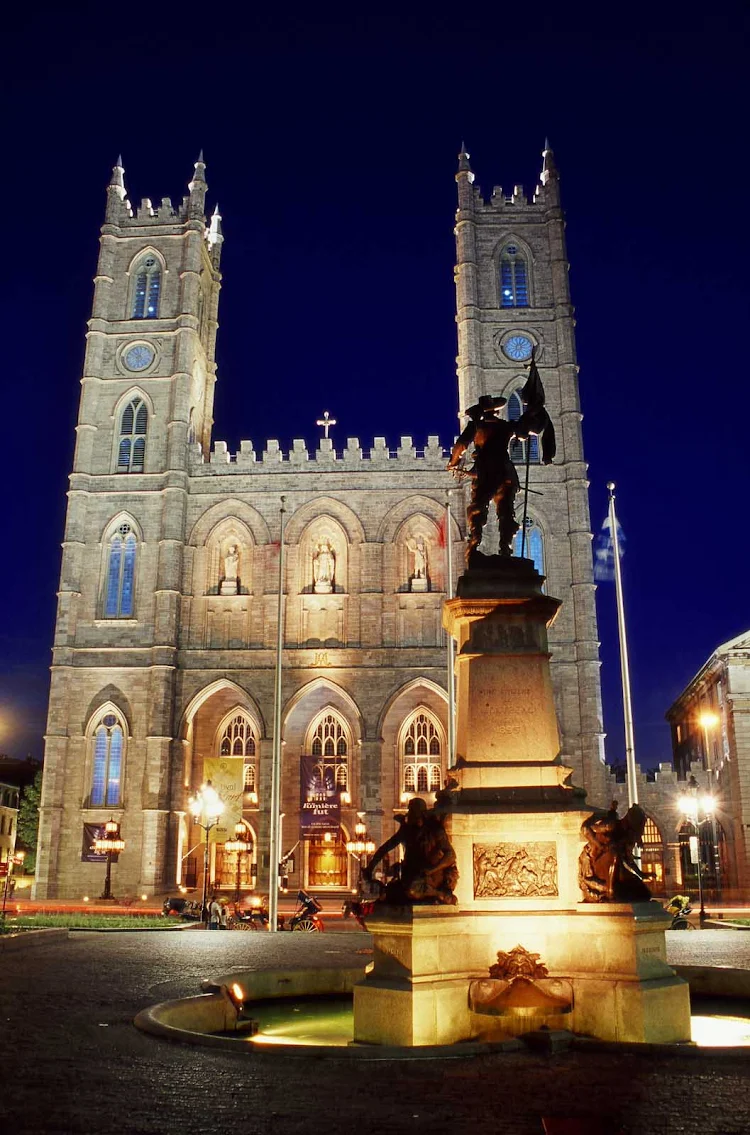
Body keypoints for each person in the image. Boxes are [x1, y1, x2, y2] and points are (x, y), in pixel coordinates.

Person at [363, 797, 458, 905]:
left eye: (411, 810)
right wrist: (370, 867)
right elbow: (385, 848)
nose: (409, 813)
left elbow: (451, 855)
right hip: (412, 875)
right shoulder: (407, 830)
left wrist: (432, 869)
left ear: (420, 812)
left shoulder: (435, 829)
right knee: (388, 893)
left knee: (412, 890)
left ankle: (439, 894)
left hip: (431, 875)